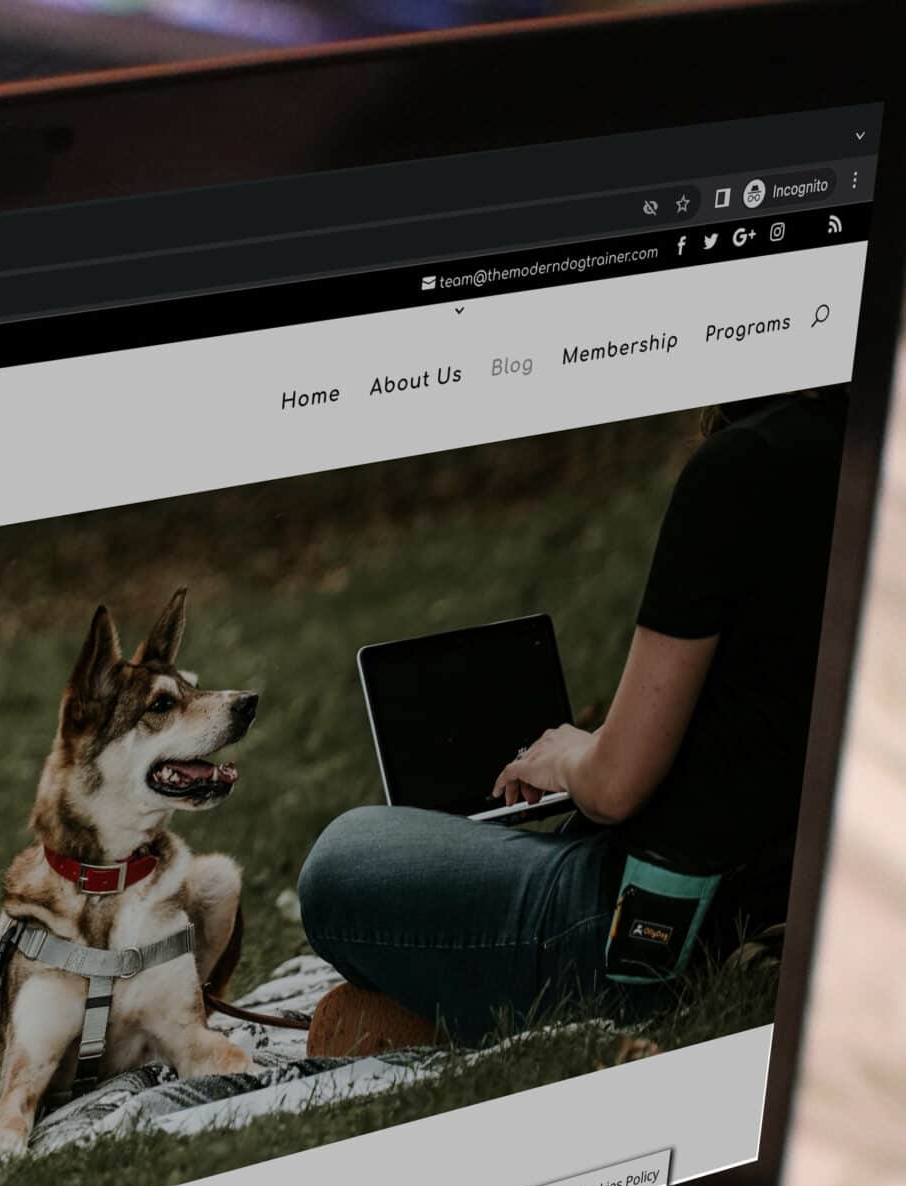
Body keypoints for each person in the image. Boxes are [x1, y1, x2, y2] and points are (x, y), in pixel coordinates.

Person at [297, 388, 849, 1053]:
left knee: (344, 860)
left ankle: (454, 1004)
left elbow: (616, 787)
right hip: (811, 882)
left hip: (661, 931)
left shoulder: (747, 465)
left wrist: (571, 758)